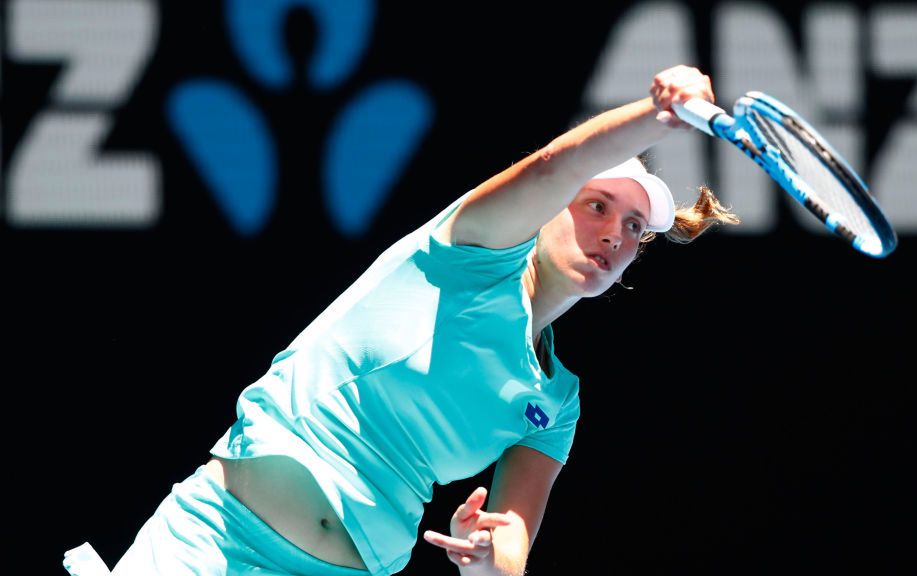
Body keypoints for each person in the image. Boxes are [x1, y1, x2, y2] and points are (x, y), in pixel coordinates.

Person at [63, 63, 739, 576]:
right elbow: (550, 166)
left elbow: (510, 541)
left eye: (631, 228)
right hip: (211, 543)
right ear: (554, 209)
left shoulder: (556, 402)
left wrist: (489, 560)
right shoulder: (466, 253)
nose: (613, 235)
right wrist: (656, 114)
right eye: (596, 206)